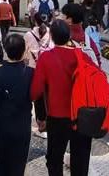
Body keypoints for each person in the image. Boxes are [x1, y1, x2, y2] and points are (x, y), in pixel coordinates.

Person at [31, 19, 94, 175]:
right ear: (69, 35)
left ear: (51, 35)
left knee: (54, 159)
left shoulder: (46, 58)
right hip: (82, 115)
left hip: (57, 116)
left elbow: (35, 91)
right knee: (80, 159)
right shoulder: (82, 56)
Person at [0, 34, 34, 176]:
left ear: (5, 50)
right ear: (24, 50)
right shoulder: (30, 72)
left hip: (2, 124)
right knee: (19, 162)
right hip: (23, 124)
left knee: (2, 161)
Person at [24, 14, 53, 139]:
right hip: (48, 69)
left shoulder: (28, 35)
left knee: (37, 97)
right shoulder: (51, 32)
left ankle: (41, 124)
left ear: (34, 20)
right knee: (48, 95)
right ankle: (49, 121)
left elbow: (24, 54)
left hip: (33, 69)